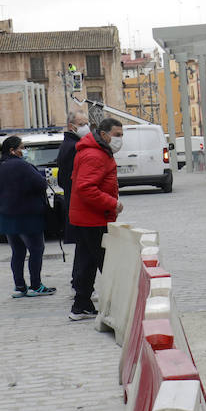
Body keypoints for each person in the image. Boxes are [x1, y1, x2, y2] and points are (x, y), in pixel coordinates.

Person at [0, 135, 56, 298]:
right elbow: (41, 184)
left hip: (6, 218)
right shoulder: (23, 166)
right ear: (13, 150)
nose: (24, 151)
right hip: (28, 217)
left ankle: (19, 286)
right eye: (22, 148)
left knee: (17, 252)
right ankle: (36, 286)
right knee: (36, 249)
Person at [69, 117, 125, 321]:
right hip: (93, 219)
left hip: (87, 217)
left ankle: (81, 305)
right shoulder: (95, 155)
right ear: (104, 135)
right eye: (117, 135)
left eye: (122, 135)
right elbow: (86, 188)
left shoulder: (96, 152)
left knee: (88, 262)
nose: (120, 139)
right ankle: (119, 306)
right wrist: (112, 203)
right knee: (107, 263)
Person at [56, 108, 88, 244]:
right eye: (81, 125)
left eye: (87, 124)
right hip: (77, 204)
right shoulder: (74, 147)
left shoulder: (70, 144)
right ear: (71, 126)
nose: (86, 128)